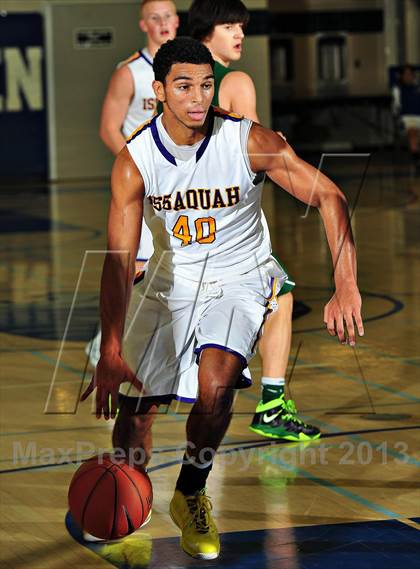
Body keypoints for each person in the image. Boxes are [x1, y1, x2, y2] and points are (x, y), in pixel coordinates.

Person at [81, 37, 364, 560]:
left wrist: (345, 282)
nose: (197, 97)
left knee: (217, 383)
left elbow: (330, 194)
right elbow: (119, 260)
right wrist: (113, 346)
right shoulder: (135, 161)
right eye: (184, 86)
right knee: (135, 411)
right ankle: (129, 489)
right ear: (160, 90)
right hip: (171, 278)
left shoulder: (249, 141)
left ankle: (191, 491)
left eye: (206, 85)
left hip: (239, 276)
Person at [189, 0, 319, 440]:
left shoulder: (180, 79)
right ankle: (269, 403)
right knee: (273, 291)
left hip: (182, 214)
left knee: (277, 294)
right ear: (208, 31)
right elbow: (255, 151)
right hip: (226, 218)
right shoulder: (235, 80)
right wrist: (279, 144)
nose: (240, 34)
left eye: (242, 26)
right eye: (230, 26)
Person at [86, 0, 179, 364]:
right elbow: (108, 128)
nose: (163, 24)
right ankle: (106, 343)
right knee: (136, 267)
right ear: (144, 25)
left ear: (177, 20)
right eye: (155, 18)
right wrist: (138, 164)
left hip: (177, 187)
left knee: (173, 263)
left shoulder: (186, 67)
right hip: (143, 187)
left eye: (168, 16)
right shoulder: (130, 72)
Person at [392, 64, 420, 172]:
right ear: (402, 76)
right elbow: (396, 107)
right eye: (406, 74)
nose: (408, 76)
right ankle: (417, 160)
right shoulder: (398, 89)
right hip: (407, 118)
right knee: (413, 133)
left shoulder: (417, 87)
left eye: (410, 74)